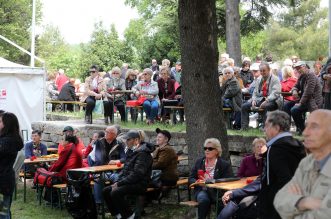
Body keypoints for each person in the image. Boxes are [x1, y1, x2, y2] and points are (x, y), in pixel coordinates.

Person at [274, 109, 331, 219]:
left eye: (314, 127)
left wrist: (293, 208)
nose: (305, 132)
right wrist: (303, 201)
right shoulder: (307, 162)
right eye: (306, 126)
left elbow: (325, 214)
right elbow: (279, 200)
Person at [103, 130, 154, 219]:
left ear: (136, 140)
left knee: (115, 192)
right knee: (106, 190)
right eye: (125, 140)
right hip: (131, 182)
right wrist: (118, 181)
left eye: (128, 140)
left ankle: (130, 216)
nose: (126, 142)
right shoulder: (133, 152)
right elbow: (125, 170)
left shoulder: (143, 154)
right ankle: (119, 215)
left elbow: (137, 174)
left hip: (140, 184)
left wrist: (119, 184)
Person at [189, 138, 233, 219]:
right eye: (205, 148)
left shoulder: (224, 164)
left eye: (210, 148)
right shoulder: (199, 161)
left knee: (221, 202)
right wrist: (197, 181)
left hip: (218, 192)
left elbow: (229, 180)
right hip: (202, 190)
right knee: (203, 200)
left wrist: (211, 181)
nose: (207, 150)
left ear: (217, 151)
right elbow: (191, 178)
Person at [89, 125, 126, 207]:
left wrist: (117, 161)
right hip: (101, 171)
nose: (105, 133)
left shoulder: (119, 144)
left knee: (118, 179)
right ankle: (99, 205)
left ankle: (116, 203)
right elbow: (99, 159)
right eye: (105, 131)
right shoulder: (99, 142)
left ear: (114, 135)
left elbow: (124, 158)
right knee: (98, 179)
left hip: (114, 172)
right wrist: (109, 162)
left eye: (107, 132)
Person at [241, 62, 282, 130]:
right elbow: (255, 92)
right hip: (260, 99)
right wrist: (253, 100)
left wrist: (267, 100)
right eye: (261, 71)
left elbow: (276, 93)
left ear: (269, 70)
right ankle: (244, 127)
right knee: (244, 106)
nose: (262, 72)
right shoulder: (259, 79)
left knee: (266, 106)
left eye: (264, 71)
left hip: (274, 101)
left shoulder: (275, 79)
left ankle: (264, 127)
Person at [0, 111, 24, 218]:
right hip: (6, 180)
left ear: (7, 125)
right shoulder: (9, 140)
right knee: (5, 212)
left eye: (0, 121)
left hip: (2, 182)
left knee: (3, 214)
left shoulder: (6, 142)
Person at [290, 61, 323, 134]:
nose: (298, 70)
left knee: (294, 110)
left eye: (299, 68)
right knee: (286, 105)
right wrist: (294, 91)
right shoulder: (302, 75)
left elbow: (308, 92)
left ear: (304, 67)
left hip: (314, 101)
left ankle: (303, 130)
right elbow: (295, 86)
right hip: (306, 101)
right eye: (296, 68)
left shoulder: (311, 75)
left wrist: (300, 103)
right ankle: (290, 129)